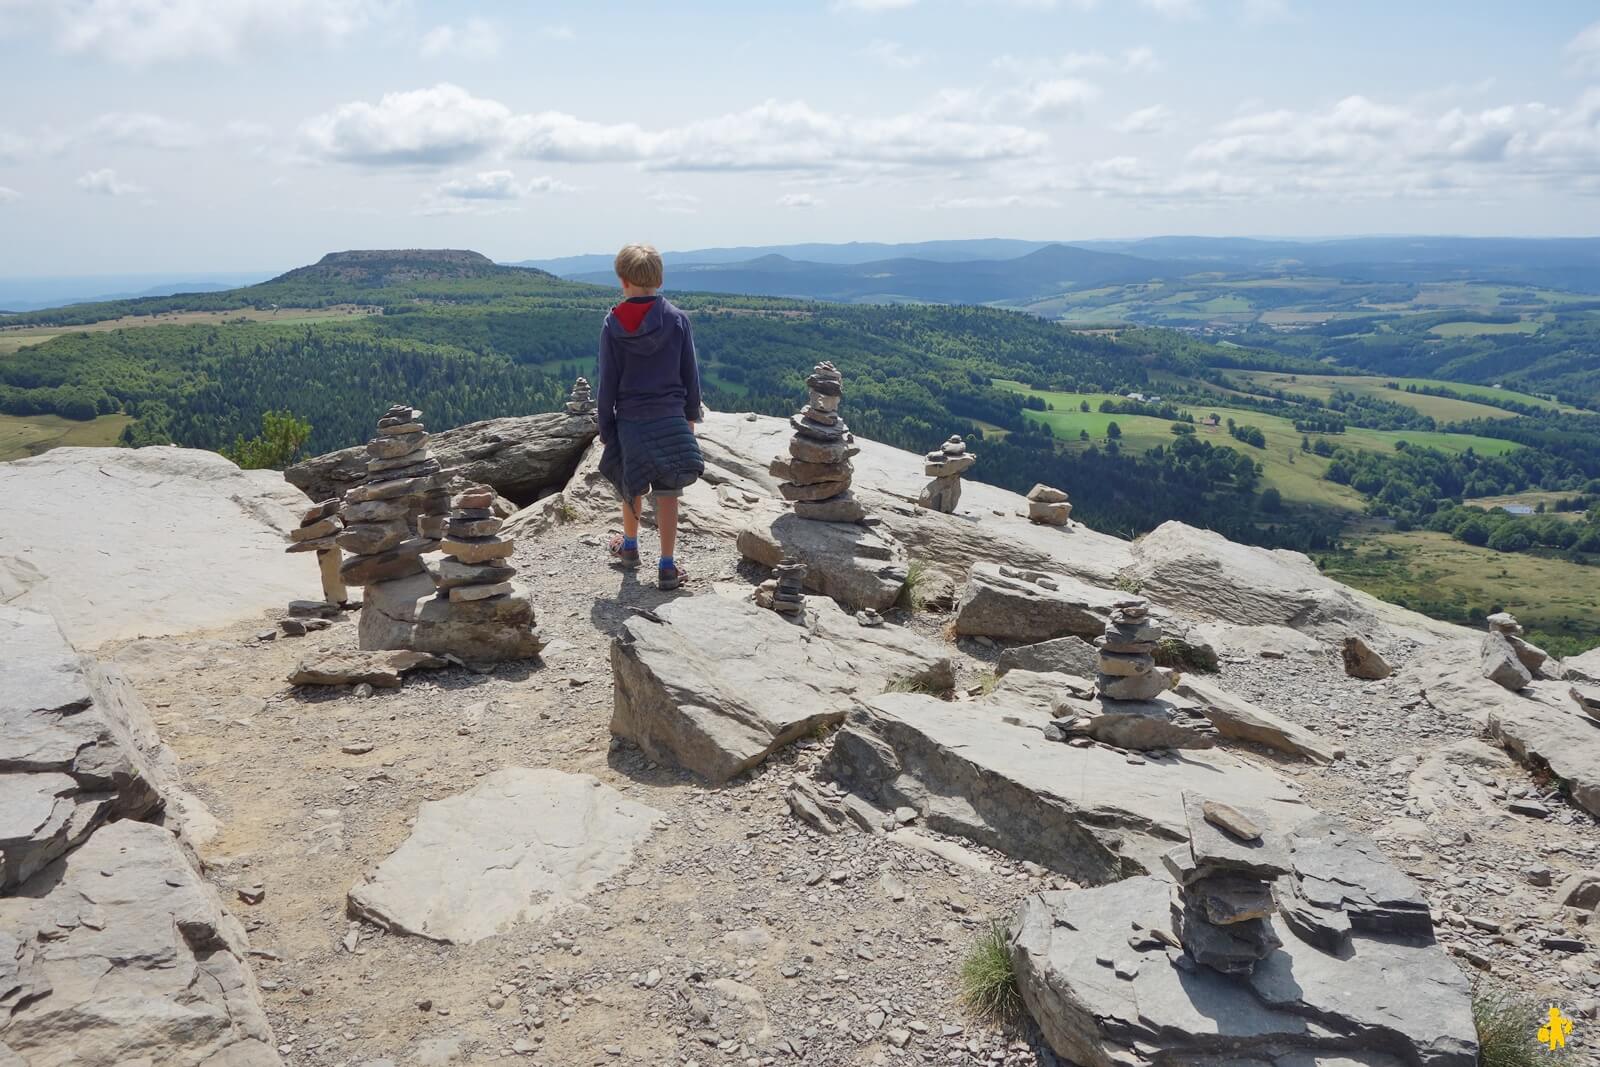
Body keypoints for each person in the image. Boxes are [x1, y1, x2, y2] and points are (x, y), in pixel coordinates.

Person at [595, 243, 705, 591]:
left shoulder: (613, 324)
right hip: (671, 417)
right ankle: (668, 566)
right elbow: (690, 374)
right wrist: (690, 417)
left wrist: (606, 425)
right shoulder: (677, 320)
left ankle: (629, 549)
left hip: (631, 419)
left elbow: (607, 382)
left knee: (631, 486)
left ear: (623, 280)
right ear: (658, 279)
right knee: (669, 493)